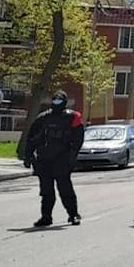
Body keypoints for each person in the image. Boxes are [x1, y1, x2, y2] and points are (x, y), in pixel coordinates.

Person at [23, 90, 83, 227]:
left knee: (65, 189)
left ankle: (73, 214)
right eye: (54, 100)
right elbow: (31, 138)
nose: (57, 103)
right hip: (44, 160)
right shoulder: (43, 118)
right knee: (46, 191)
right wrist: (28, 156)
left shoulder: (72, 117)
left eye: (59, 100)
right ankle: (46, 217)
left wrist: (72, 158)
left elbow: (78, 140)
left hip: (62, 159)